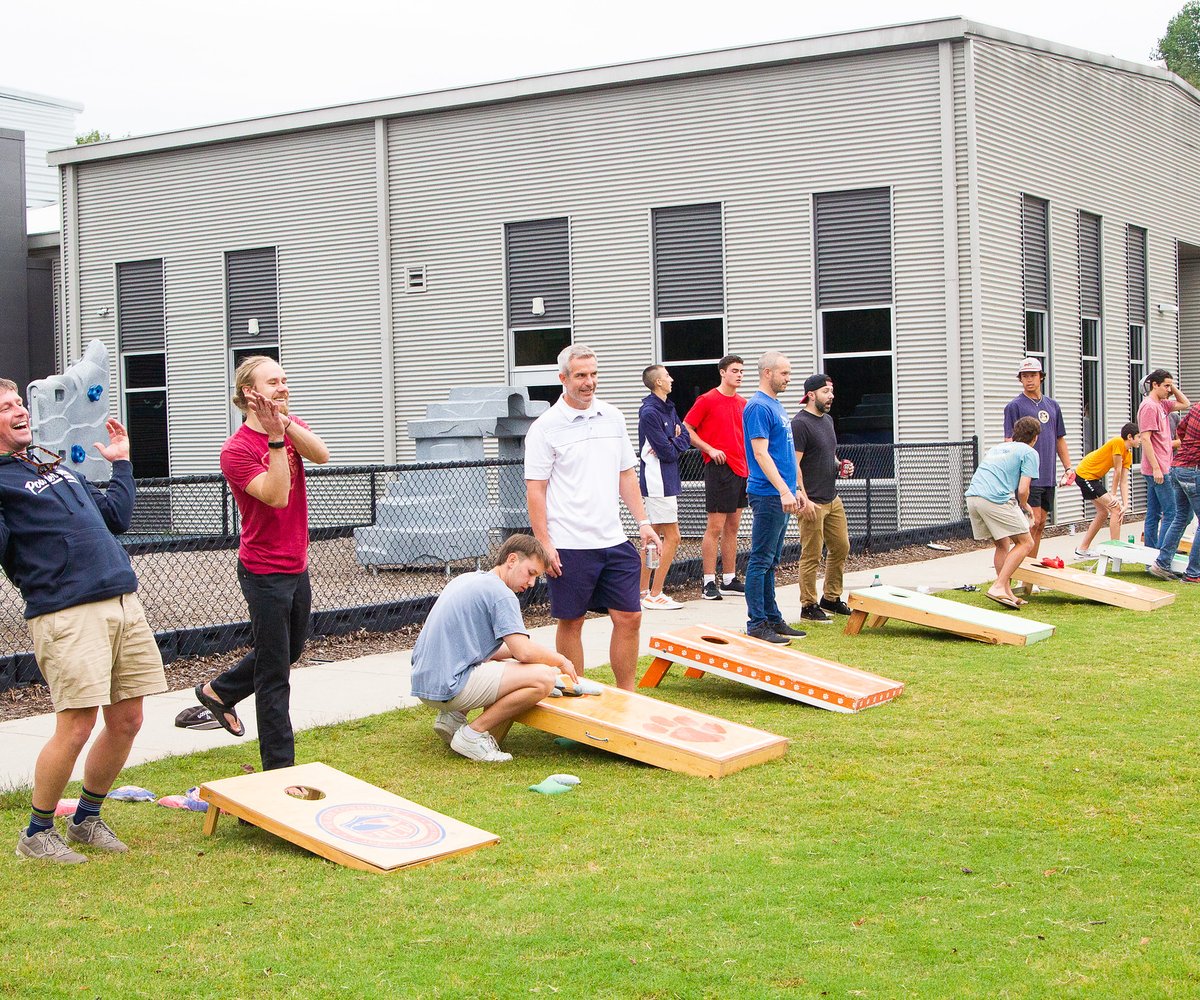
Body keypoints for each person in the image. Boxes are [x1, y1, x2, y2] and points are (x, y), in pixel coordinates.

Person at [1, 378, 167, 863]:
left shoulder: (52, 467)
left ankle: (87, 820)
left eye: (18, 403)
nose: (19, 410)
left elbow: (116, 516)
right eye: (6, 406)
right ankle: (36, 833)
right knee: (75, 725)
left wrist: (121, 462)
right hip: (66, 612)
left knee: (128, 720)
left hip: (120, 599)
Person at [195, 356, 330, 771]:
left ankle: (219, 691)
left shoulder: (289, 425)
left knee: (288, 651)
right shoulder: (236, 451)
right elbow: (276, 496)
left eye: (285, 380)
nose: (284, 388)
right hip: (264, 571)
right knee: (275, 676)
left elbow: (322, 455)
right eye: (274, 382)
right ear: (250, 394)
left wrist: (285, 427)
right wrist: (274, 440)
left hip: (296, 564)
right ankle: (279, 772)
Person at [525, 345, 659, 690]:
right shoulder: (545, 428)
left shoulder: (613, 417)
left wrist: (643, 523)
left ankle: (628, 697)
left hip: (613, 540)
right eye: (581, 375)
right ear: (563, 378)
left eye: (594, 374)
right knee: (572, 621)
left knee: (630, 617)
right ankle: (576, 693)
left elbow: (625, 474)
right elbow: (536, 490)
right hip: (568, 544)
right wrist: (545, 543)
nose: (589, 382)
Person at [411, 535, 578, 762]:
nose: (530, 584)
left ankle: (452, 718)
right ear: (511, 560)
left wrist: (530, 659)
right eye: (530, 573)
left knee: (508, 663)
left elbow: (488, 650)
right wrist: (559, 660)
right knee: (543, 679)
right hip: (448, 688)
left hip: (424, 683)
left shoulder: (468, 579)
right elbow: (524, 651)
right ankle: (473, 734)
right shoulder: (501, 594)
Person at [742, 351, 806, 645]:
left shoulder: (776, 406)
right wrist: (782, 489)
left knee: (772, 560)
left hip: (781, 493)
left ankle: (772, 617)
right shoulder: (757, 407)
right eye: (784, 373)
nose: (788, 379)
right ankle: (757, 623)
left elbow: (785, 455)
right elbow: (760, 453)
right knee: (760, 559)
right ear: (767, 372)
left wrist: (796, 489)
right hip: (767, 494)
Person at [683, 355, 748, 602]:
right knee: (715, 527)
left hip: (742, 469)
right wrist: (709, 449)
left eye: (741, 371)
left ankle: (729, 579)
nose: (739, 375)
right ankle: (708, 581)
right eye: (734, 370)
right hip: (719, 468)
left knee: (733, 527)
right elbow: (686, 428)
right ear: (722, 373)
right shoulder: (707, 400)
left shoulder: (744, 403)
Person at [791, 373, 854, 624]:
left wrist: (840, 466)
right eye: (826, 392)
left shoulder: (827, 421)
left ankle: (831, 598)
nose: (831, 396)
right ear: (811, 394)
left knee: (841, 547)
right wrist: (803, 499)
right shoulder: (800, 424)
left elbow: (828, 455)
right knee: (812, 554)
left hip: (832, 498)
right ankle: (808, 605)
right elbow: (794, 464)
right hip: (812, 500)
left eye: (831, 391)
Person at [965, 416, 1041, 609]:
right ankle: (999, 586)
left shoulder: (999, 447)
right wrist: (1024, 506)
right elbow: (1023, 489)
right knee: (1026, 542)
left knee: (1002, 544)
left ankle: (1007, 593)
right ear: (1035, 437)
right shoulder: (1029, 452)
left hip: (973, 497)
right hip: (995, 498)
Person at [1003, 358, 1072, 559]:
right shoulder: (1014, 406)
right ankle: (1020, 570)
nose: (1029, 380)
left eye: (1033, 375)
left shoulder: (1053, 405)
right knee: (1030, 523)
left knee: (1041, 524)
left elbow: (1059, 438)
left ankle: (1030, 574)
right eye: (1025, 376)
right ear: (1020, 379)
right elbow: (1009, 441)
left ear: (1041, 377)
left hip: (1048, 473)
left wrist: (1068, 467)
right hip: (1027, 475)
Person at [637, 365, 690, 610]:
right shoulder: (649, 412)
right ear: (658, 382)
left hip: (668, 479)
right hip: (658, 482)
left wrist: (675, 440)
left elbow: (685, 437)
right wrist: (673, 441)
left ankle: (641, 592)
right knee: (673, 537)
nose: (671, 379)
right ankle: (655, 593)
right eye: (667, 376)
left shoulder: (669, 407)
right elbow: (666, 452)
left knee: (651, 537)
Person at [1137, 369, 1190, 549]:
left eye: (1170, 386)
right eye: (1166, 386)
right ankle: (1162, 556)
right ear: (1154, 385)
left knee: (1154, 513)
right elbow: (1145, 438)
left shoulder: (1162, 405)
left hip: (1163, 466)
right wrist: (1157, 468)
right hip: (1158, 469)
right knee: (1173, 513)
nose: (1169, 389)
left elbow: (1185, 403)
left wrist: (1172, 387)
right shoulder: (1149, 406)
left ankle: (1151, 555)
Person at [1071, 422, 1138, 557]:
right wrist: (1113, 495)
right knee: (1115, 509)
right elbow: (1117, 471)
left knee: (1103, 513)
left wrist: (1126, 503)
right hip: (1085, 475)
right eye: (1139, 437)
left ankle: (1082, 549)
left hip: (1092, 478)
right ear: (1130, 437)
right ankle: (1115, 552)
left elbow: (1124, 481)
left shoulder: (1128, 454)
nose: (1141, 440)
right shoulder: (1118, 442)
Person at [1152, 401, 1200, 583]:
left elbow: (1180, 429)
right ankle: (1193, 573)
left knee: (1182, 517)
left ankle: (1162, 563)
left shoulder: (1196, 407)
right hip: (1194, 470)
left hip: (1178, 467)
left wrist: (1188, 446)